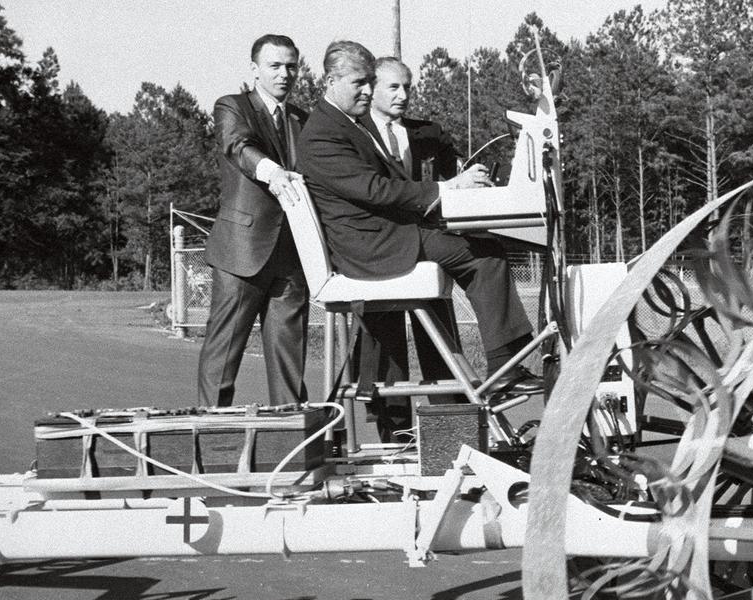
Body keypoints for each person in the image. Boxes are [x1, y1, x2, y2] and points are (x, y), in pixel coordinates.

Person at [296, 40, 538, 400]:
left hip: (381, 233)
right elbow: (376, 190)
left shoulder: (346, 124)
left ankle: (498, 369)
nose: (366, 90)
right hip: (372, 246)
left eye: (369, 82)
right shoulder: (323, 133)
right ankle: (505, 366)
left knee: (481, 246)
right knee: (486, 254)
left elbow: (386, 187)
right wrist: (445, 189)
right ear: (331, 81)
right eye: (359, 83)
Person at [197, 34, 309, 408]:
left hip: (292, 258)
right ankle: (211, 440)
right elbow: (238, 146)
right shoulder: (232, 106)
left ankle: (293, 440)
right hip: (240, 254)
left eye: (291, 66)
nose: (284, 74)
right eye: (275, 66)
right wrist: (273, 172)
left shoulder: (302, 120)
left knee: (289, 366)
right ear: (255, 69)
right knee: (223, 358)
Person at [359, 57, 463, 436]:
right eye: (393, 87)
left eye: (408, 87)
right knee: (385, 347)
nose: (403, 95)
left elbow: (454, 180)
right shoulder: (355, 133)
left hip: (427, 248)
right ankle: (394, 434)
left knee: (440, 341)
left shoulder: (429, 134)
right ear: (371, 89)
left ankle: (453, 428)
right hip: (380, 252)